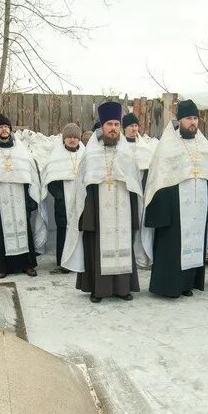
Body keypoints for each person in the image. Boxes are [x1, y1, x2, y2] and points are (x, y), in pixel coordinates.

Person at [144, 99, 208, 297]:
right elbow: (159, 178)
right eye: (188, 118)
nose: (193, 123)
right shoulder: (167, 146)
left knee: (194, 245)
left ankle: (187, 284)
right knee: (172, 248)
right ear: (179, 120)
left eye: (195, 118)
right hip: (174, 210)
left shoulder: (204, 147)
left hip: (198, 208)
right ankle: (169, 286)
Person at [61, 102, 144, 302]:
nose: (113, 128)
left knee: (123, 245)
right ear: (102, 127)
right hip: (97, 211)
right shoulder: (90, 154)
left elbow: (134, 184)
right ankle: (97, 290)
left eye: (117, 124)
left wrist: (133, 213)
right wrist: (87, 215)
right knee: (96, 247)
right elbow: (83, 187)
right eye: (109, 124)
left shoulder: (126, 153)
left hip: (122, 209)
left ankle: (124, 288)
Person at [0, 113, 47, 278]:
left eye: (6, 127)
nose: (4, 129)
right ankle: (2, 267)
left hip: (21, 199)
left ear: (10, 130)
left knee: (24, 231)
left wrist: (31, 200)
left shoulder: (21, 151)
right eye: (0, 127)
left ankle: (28, 265)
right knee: (1, 234)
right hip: (0, 201)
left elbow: (29, 178)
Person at [42, 123, 84, 271]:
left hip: (81, 201)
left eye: (75, 137)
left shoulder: (85, 155)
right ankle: (63, 261)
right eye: (69, 137)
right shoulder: (56, 156)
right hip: (63, 203)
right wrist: (60, 196)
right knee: (63, 231)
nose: (72, 140)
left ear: (79, 139)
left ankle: (80, 261)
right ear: (64, 139)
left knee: (81, 229)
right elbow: (50, 179)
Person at [122, 112, 155, 191]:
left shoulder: (144, 147)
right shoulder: (120, 146)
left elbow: (149, 167)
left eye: (136, 126)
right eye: (131, 126)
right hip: (125, 186)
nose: (134, 129)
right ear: (125, 128)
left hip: (142, 185)